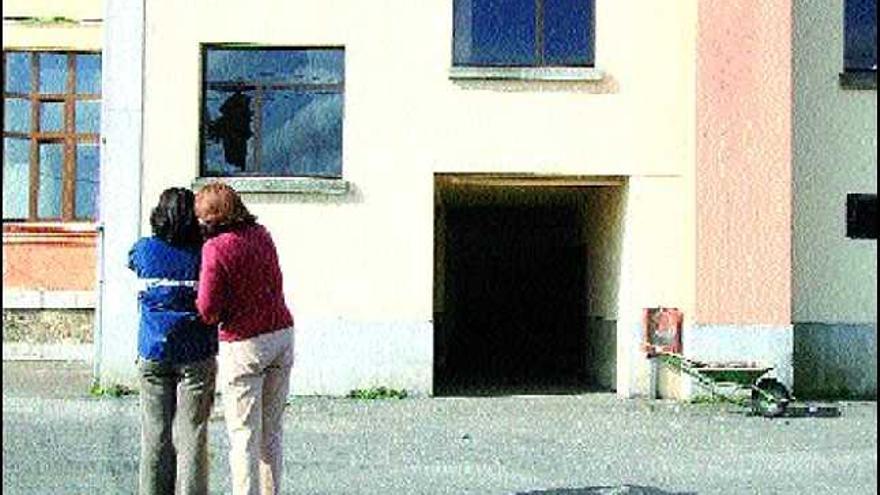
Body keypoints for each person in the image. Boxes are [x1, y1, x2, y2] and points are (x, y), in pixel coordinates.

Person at [194, 181, 295, 495]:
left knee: (243, 435)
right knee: (272, 432)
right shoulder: (262, 234)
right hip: (281, 332)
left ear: (211, 219)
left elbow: (208, 309)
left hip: (244, 342)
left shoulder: (216, 248)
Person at [128, 187, 219, 495]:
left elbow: (132, 262)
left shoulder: (144, 250)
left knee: (155, 433)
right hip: (197, 352)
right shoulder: (204, 252)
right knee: (193, 432)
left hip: (153, 350)